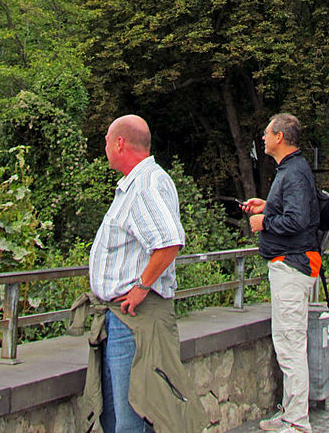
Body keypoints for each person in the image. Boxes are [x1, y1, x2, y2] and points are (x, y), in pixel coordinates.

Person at [84, 114, 206, 433]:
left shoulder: (145, 185)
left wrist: (140, 287)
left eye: (108, 141)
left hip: (135, 321)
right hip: (124, 319)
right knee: (118, 415)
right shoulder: (139, 182)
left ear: (120, 143)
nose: (105, 147)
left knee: (134, 416)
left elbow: (169, 242)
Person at [243, 114, 321, 433]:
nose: (262, 138)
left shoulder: (295, 172)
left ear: (279, 137)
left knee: (290, 343)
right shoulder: (290, 170)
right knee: (287, 341)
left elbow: (298, 220)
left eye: (266, 134)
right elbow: (292, 209)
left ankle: (297, 422)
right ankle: (290, 413)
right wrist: (267, 205)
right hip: (290, 264)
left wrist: (265, 223)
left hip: (293, 264)